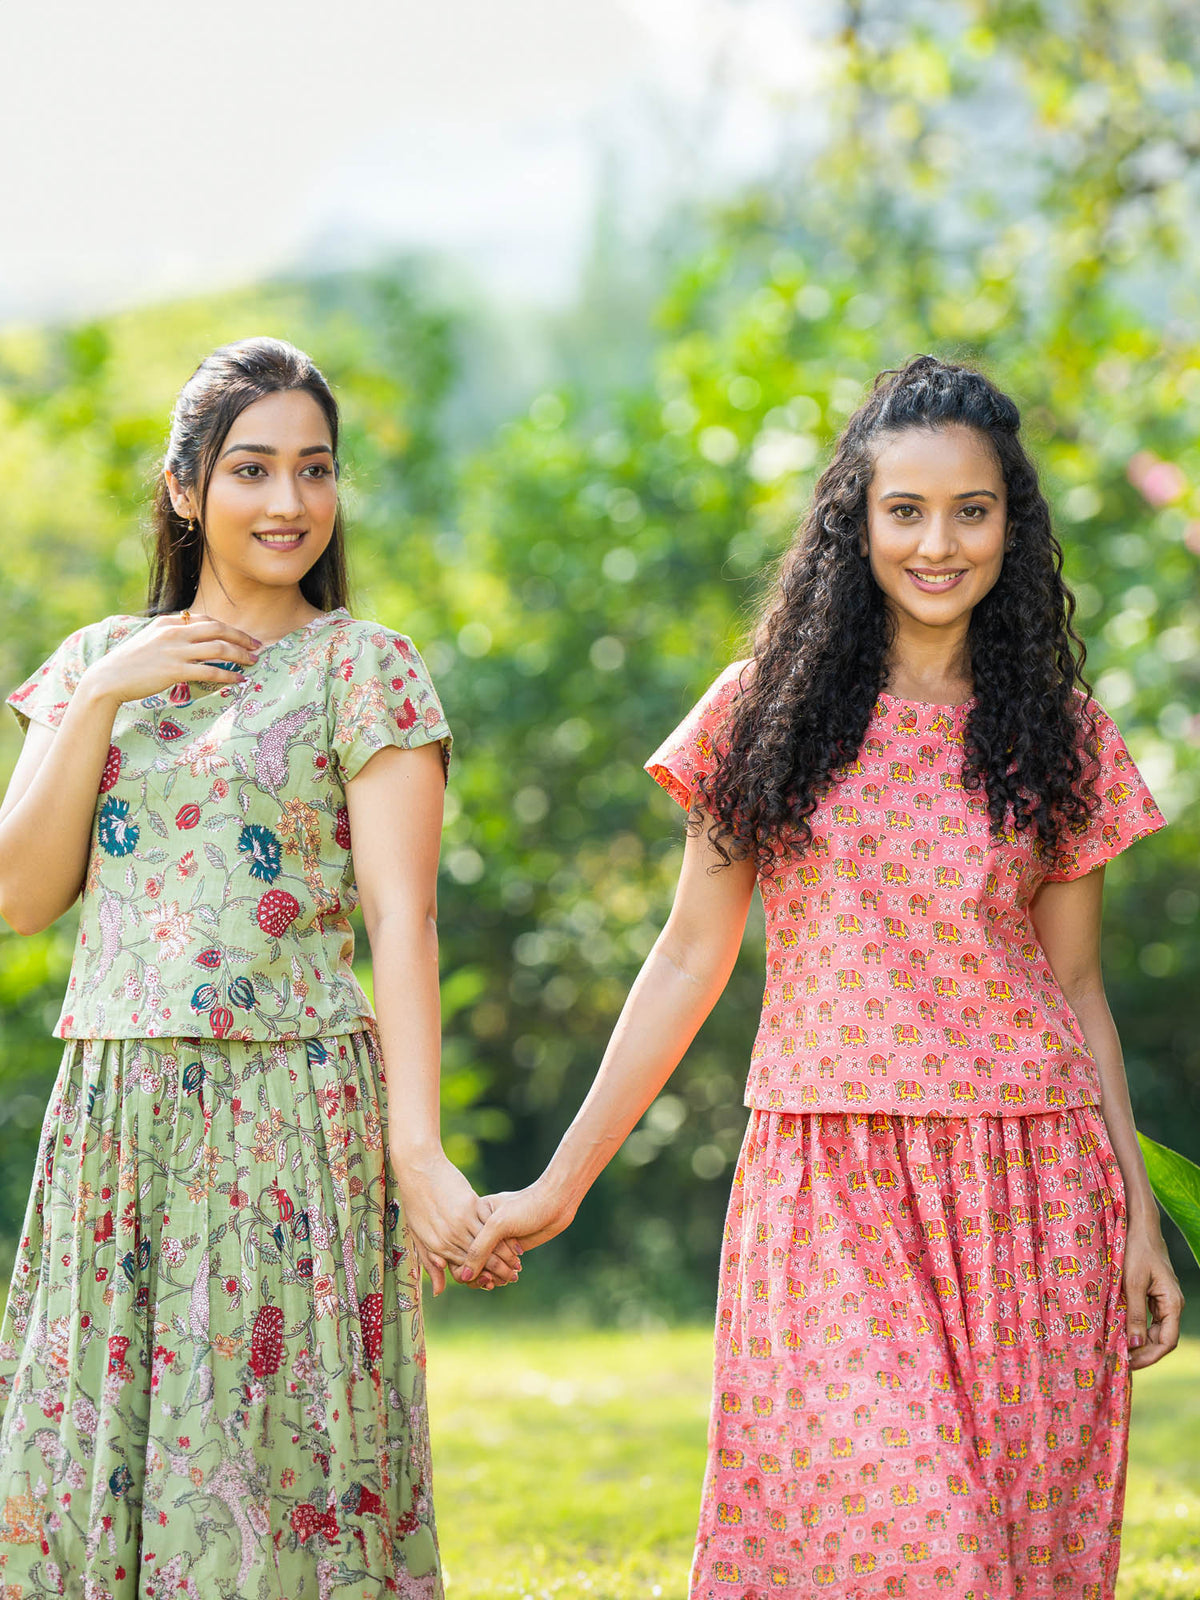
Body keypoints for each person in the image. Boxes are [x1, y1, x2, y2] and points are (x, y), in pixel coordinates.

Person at [461, 355, 1184, 1598]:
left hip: (1030, 1187)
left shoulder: (1064, 733)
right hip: (831, 1182)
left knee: (1015, 1559)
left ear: (1016, 520)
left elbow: (1077, 993)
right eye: (905, 510)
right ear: (854, 522)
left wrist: (1138, 1217)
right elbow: (689, 955)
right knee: (922, 1544)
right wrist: (560, 1181)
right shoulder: (763, 715)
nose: (939, 542)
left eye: (973, 508)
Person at [0, 336, 517, 1600]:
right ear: (185, 489)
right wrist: (106, 692)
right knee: (99, 1455)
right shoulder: (93, 662)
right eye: (251, 470)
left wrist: (416, 1149)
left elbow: (406, 922)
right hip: (120, 1116)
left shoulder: (365, 666)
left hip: (294, 1111)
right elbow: (19, 897)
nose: (288, 502)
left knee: (279, 1455)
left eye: (314, 470)